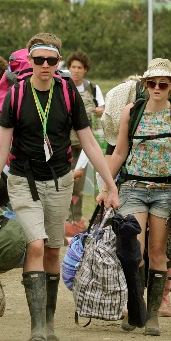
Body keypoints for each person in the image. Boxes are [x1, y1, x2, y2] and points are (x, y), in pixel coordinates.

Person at [0, 33, 119, 341]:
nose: (45, 65)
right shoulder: (16, 95)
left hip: (59, 181)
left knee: (54, 250)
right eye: (39, 59)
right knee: (36, 246)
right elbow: (0, 149)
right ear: (30, 61)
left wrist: (110, 185)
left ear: (58, 62)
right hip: (22, 181)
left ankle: (50, 319)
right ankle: (37, 326)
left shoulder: (68, 93)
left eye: (51, 60)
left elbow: (89, 142)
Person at [107, 58, 171, 336]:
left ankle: (152, 315)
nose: (156, 88)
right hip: (133, 187)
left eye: (162, 84)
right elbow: (120, 152)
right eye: (151, 83)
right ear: (145, 84)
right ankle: (135, 308)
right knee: (132, 252)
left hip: (166, 191)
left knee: (157, 253)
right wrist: (107, 187)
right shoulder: (132, 112)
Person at [64, 51, 105, 224]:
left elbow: (103, 108)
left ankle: (76, 220)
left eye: (79, 67)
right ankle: (64, 221)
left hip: (84, 144)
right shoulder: (62, 86)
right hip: (64, 143)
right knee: (63, 183)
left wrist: (99, 111)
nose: (76, 71)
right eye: (73, 67)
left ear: (85, 69)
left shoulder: (93, 88)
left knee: (78, 185)